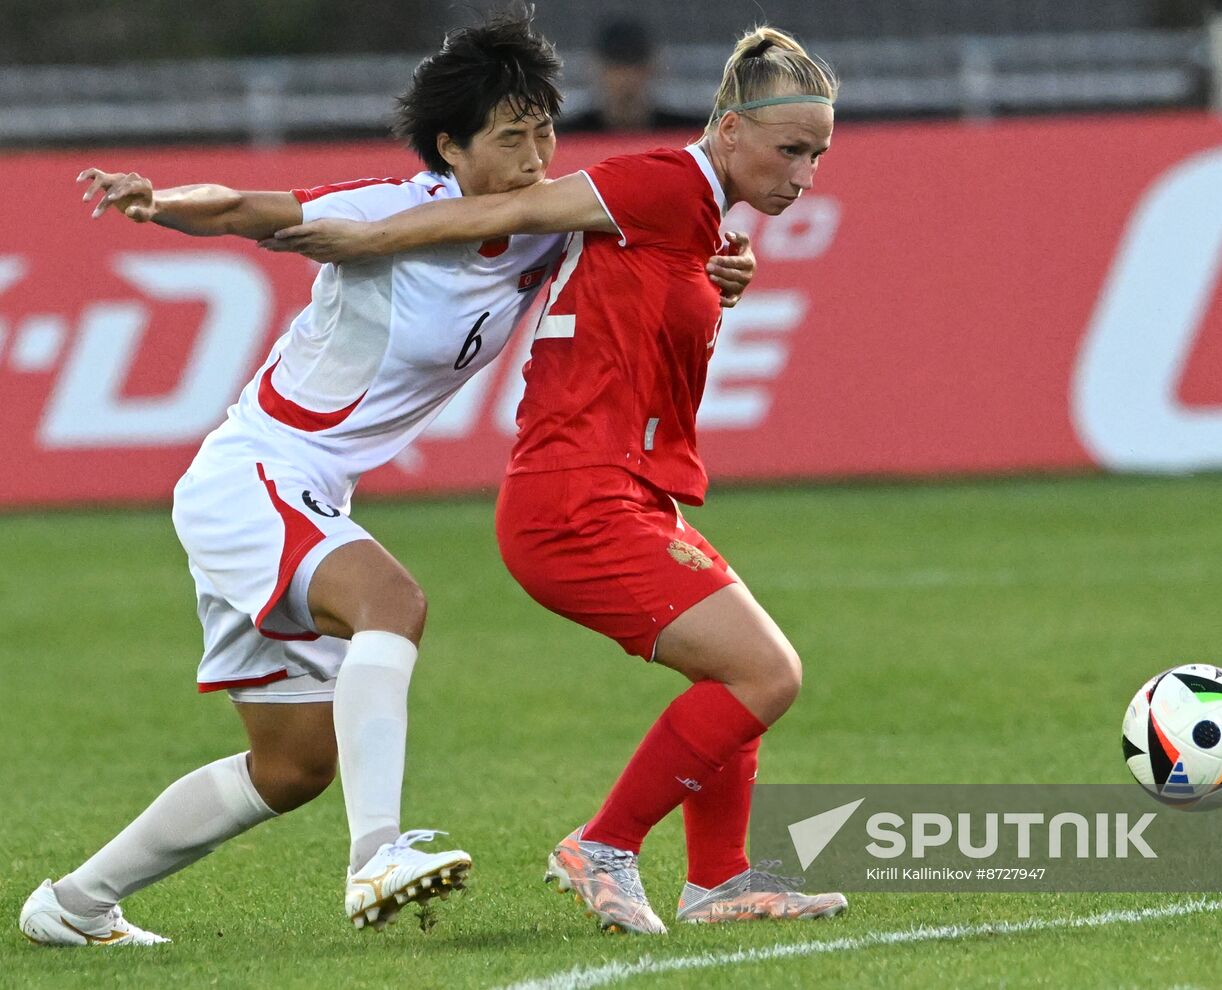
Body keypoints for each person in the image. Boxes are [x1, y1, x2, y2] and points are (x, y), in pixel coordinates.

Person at [19, 10, 756, 947]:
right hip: (256, 474)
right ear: (450, 147)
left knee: (290, 769)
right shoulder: (382, 208)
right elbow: (254, 208)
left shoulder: (543, 228)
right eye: (509, 137)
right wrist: (158, 200)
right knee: (393, 603)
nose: (535, 157)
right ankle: (377, 855)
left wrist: (723, 269)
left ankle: (73, 905)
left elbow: (658, 257)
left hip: (308, 495)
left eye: (544, 132)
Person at [264, 26, 846, 934]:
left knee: (738, 676)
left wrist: (719, 274)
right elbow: (498, 214)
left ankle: (720, 881)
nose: (805, 171)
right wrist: (361, 235)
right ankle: (602, 846)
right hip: (577, 499)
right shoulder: (660, 181)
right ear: (728, 129)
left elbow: (638, 281)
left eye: (818, 153)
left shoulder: (696, 217)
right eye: (790, 148)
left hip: (623, 491)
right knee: (764, 674)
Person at [561, 18, 701, 133]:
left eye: (635, 67)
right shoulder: (567, 135)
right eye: (616, 68)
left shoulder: (687, 133)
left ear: (653, 68)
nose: (626, 78)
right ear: (594, 69)